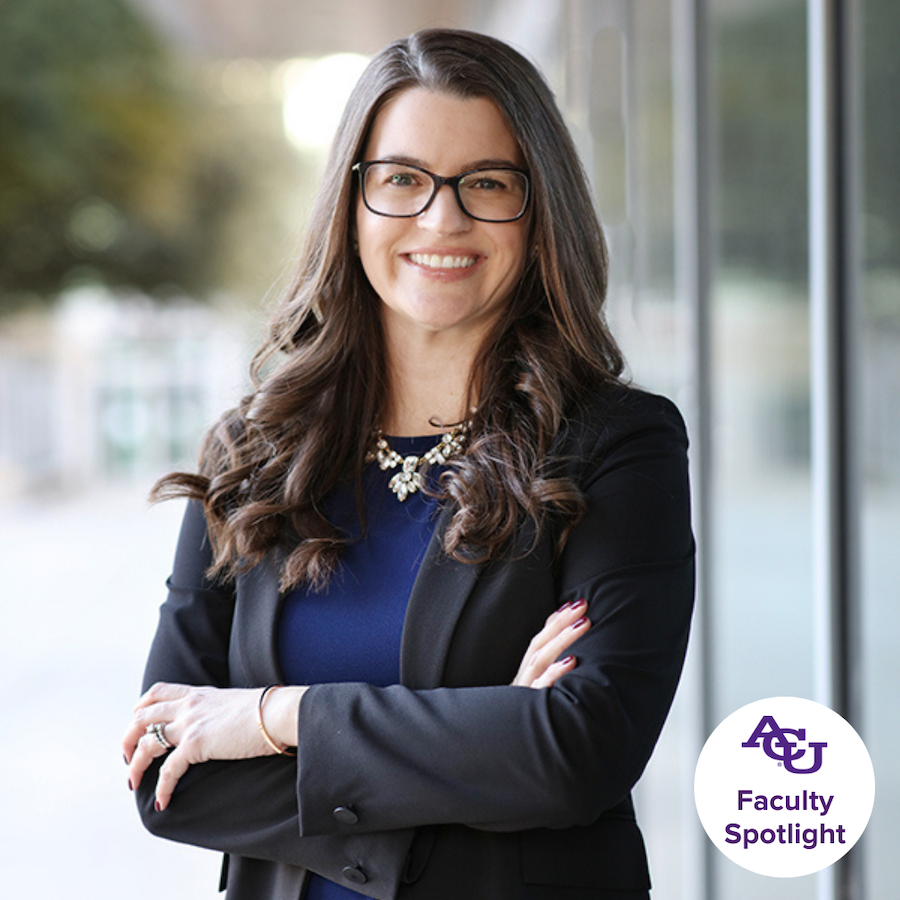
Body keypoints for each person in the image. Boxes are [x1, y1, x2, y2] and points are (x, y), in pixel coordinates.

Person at [122, 27, 694, 900]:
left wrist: (278, 717)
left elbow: (580, 751)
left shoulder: (617, 446)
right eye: (402, 180)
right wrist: (484, 739)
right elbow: (168, 776)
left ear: (541, 210)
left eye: (488, 183)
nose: (443, 219)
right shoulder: (254, 455)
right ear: (351, 202)